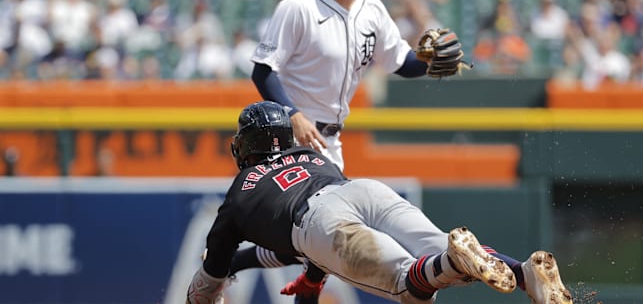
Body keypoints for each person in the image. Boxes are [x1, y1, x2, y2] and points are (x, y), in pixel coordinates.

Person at [186, 101, 574, 304]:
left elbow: (212, 271)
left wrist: (206, 287)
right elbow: (301, 254)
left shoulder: (241, 193)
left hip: (319, 223)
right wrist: (295, 272)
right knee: (437, 244)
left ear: (246, 145)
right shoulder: (311, 155)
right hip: (361, 191)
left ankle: (452, 261)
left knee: (411, 284)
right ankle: (525, 274)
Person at [250, 0, 464, 171]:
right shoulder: (298, 7)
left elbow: (401, 63)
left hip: (330, 143)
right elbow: (262, 71)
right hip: (289, 140)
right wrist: (293, 115)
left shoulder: (372, 8)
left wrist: (426, 60)